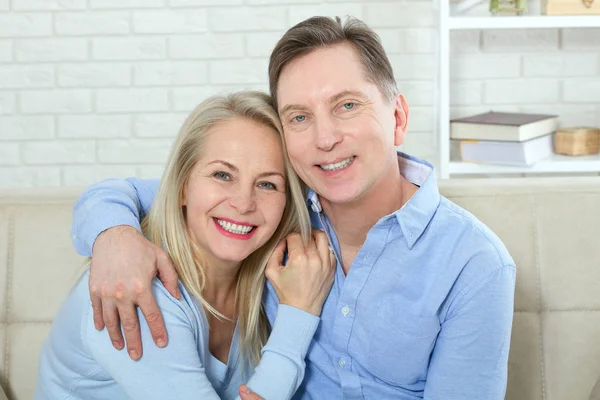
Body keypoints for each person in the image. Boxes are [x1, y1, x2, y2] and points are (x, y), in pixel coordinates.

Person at [68, 16, 516, 399]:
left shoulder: (474, 264)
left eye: (347, 105)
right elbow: (125, 192)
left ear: (397, 117)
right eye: (299, 117)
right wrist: (116, 237)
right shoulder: (268, 207)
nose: (325, 139)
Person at [35, 91, 335, 399]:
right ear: (182, 188)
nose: (244, 203)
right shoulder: (137, 291)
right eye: (222, 175)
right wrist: (298, 315)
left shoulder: (272, 275)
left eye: (267, 184)